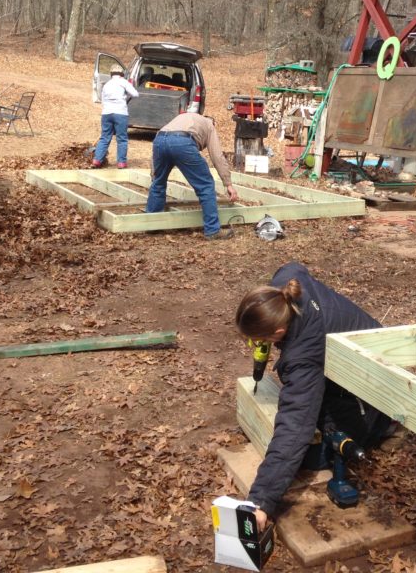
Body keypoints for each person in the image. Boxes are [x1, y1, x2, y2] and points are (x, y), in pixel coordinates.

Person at [235, 262, 392, 527]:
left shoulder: (303, 357)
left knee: (312, 457)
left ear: (278, 331)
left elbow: (295, 427)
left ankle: (384, 426)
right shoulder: (287, 282)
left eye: (261, 340)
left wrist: (261, 502)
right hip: (362, 355)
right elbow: (295, 265)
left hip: (375, 387)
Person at [145, 112, 239, 239]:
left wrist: (154, 174)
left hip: (159, 140)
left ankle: (151, 225)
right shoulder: (209, 125)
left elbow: (162, 141)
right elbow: (217, 156)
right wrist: (228, 184)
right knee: (205, 185)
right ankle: (212, 230)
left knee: (158, 183)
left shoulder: (185, 118)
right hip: (182, 142)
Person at [92, 64, 138, 168]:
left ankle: (97, 160)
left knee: (104, 138)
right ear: (122, 74)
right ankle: (121, 162)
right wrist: (125, 97)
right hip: (120, 113)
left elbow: (102, 100)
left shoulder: (107, 84)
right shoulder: (123, 82)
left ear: (111, 74)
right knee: (121, 138)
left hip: (106, 114)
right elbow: (135, 94)